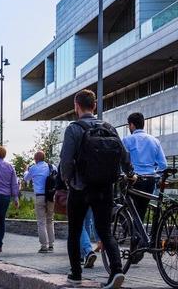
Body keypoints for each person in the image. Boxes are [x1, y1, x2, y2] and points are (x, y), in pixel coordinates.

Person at [60, 89, 133, 289]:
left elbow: (66, 160)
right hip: (105, 188)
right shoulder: (109, 127)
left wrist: (67, 180)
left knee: (74, 232)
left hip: (80, 187)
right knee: (105, 232)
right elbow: (124, 155)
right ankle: (117, 271)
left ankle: (76, 274)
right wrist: (130, 172)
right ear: (94, 106)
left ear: (77, 106)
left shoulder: (74, 129)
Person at [121, 112, 167, 224]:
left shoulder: (127, 140)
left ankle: (132, 234)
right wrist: (154, 172)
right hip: (150, 180)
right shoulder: (155, 141)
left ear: (132, 125)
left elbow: (122, 161)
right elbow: (163, 165)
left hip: (133, 179)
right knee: (141, 211)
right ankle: (139, 238)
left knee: (125, 209)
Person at [24, 150, 56, 253]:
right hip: (51, 197)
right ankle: (51, 245)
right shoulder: (52, 167)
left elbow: (26, 178)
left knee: (41, 221)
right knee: (50, 220)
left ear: (36, 159)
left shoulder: (33, 168)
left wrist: (26, 169)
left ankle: (44, 246)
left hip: (40, 196)